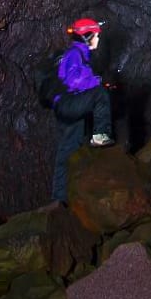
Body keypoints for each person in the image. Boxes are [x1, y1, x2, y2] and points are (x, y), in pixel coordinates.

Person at [51, 17, 114, 202]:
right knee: (100, 94)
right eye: (95, 36)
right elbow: (72, 80)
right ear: (86, 37)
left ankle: (60, 199)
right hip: (68, 103)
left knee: (69, 149)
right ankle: (100, 135)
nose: (98, 39)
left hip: (65, 105)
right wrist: (97, 82)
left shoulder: (78, 55)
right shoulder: (74, 54)